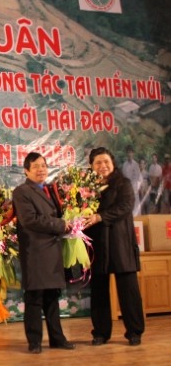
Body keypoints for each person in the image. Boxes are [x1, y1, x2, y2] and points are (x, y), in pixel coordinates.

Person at [11, 152, 75, 354]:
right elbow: (29, 220)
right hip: (35, 251)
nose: (41, 169)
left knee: (52, 298)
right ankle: (34, 342)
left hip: (52, 251)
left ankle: (57, 339)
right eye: (36, 166)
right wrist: (60, 224)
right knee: (34, 298)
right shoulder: (22, 191)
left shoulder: (50, 189)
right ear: (26, 171)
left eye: (44, 165)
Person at [83, 147, 145, 346]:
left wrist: (100, 217)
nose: (102, 166)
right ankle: (100, 333)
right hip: (97, 243)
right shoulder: (86, 188)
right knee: (99, 291)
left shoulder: (123, 183)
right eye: (98, 163)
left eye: (106, 162)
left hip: (120, 243)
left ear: (113, 163)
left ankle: (134, 332)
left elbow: (125, 206)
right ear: (91, 166)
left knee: (128, 290)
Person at [121, 146, 142, 216]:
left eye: (131, 152)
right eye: (128, 152)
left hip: (134, 189)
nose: (129, 154)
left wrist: (136, 188)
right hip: (126, 189)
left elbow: (138, 178)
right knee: (127, 207)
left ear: (133, 154)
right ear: (126, 154)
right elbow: (123, 177)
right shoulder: (124, 165)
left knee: (135, 207)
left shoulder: (136, 165)